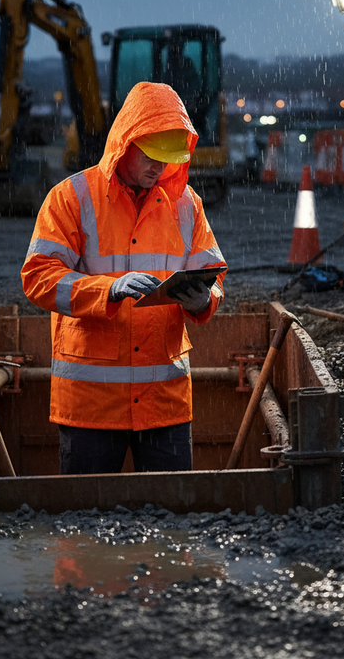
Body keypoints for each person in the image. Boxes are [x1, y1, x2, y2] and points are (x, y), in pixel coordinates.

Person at [21, 81, 226, 475]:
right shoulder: (71, 198)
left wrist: (205, 299)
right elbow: (38, 279)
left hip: (163, 404)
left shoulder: (187, 205)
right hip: (91, 407)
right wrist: (108, 289)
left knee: (173, 523)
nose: (159, 167)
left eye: (167, 158)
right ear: (125, 143)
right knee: (84, 529)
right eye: (151, 156)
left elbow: (213, 278)